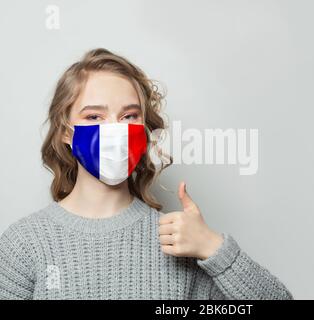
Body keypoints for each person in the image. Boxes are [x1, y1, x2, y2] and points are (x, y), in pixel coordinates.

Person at [0, 48, 293, 300]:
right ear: (66, 132)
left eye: (129, 116)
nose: (115, 129)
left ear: (143, 129)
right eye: (94, 116)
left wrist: (212, 248)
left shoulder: (177, 240)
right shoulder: (25, 242)